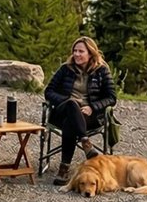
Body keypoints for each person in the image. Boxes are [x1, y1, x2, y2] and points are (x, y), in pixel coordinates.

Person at [43, 35, 118, 186]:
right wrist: (66, 100)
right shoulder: (65, 69)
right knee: (72, 104)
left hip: (88, 115)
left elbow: (111, 97)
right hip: (63, 110)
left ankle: (64, 169)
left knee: (70, 123)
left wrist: (92, 107)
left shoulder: (101, 71)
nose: (76, 54)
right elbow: (48, 91)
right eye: (75, 51)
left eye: (81, 51)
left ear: (91, 53)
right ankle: (85, 142)